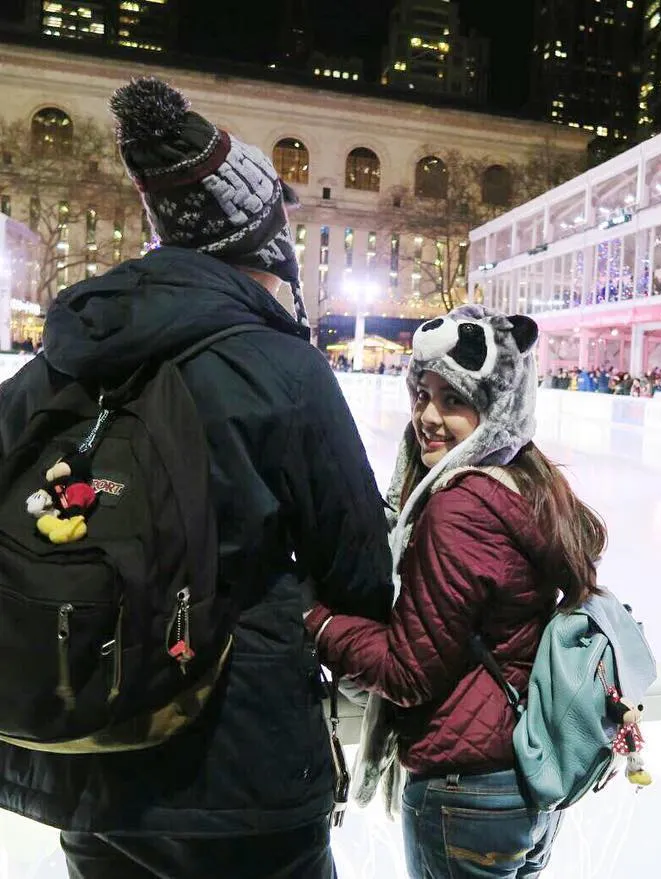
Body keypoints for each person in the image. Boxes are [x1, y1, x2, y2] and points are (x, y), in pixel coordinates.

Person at [0, 77, 393, 878]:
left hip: (88, 752)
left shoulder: (64, 360)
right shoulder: (284, 370)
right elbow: (359, 571)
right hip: (246, 767)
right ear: (263, 247)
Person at [304, 305, 608, 879]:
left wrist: (315, 622)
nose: (428, 417)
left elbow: (408, 673)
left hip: (465, 792)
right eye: (422, 395)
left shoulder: (460, 511)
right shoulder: (525, 486)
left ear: (496, 409)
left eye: (453, 400)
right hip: (522, 785)